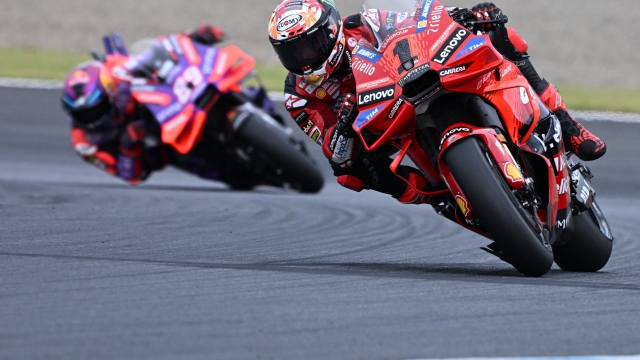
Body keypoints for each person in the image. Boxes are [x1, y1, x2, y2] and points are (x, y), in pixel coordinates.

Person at [268, 0, 606, 204]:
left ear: (330, 30)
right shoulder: (298, 95)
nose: (303, 59)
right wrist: (343, 126)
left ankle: (567, 124)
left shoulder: (362, 24)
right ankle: (433, 194)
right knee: (351, 177)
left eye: (309, 46)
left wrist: (462, 19)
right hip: (380, 127)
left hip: (412, 81)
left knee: (501, 34)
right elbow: (335, 153)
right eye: (292, 53)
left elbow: (419, 24)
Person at [62, 25, 275, 188]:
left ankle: (264, 114)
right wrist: (128, 146)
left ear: (109, 93)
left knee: (223, 84)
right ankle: (251, 175)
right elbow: (130, 176)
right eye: (83, 114)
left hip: (169, 101)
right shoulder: (85, 143)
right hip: (159, 141)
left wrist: (193, 37)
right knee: (204, 162)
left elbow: (152, 56)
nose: (90, 118)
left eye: (94, 109)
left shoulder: (114, 71)